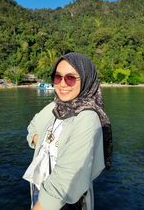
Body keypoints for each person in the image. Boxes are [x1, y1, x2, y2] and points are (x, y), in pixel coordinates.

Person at [23, 52, 113, 210]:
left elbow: (65, 180)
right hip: (40, 188)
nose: (62, 84)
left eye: (70, 78)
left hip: (65, 201)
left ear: (85, 80)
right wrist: (44, 143)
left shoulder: (88, 117)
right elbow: (32, 126)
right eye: (57, 77)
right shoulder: (56, 107)